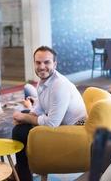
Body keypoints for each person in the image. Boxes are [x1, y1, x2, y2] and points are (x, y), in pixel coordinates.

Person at [12, 46, 87, 181]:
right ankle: (23, 169)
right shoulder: (43, 81)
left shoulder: (59, 85)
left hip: (75, 130)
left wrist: (25, 117)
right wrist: (27, 115)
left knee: (19, 132)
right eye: (38, 62)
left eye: (47, 62)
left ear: (55, 64)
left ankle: (23, 174)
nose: (42, 67)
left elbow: (52, 123)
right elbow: (40, 108)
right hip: (61, 122)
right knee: (23, 119)